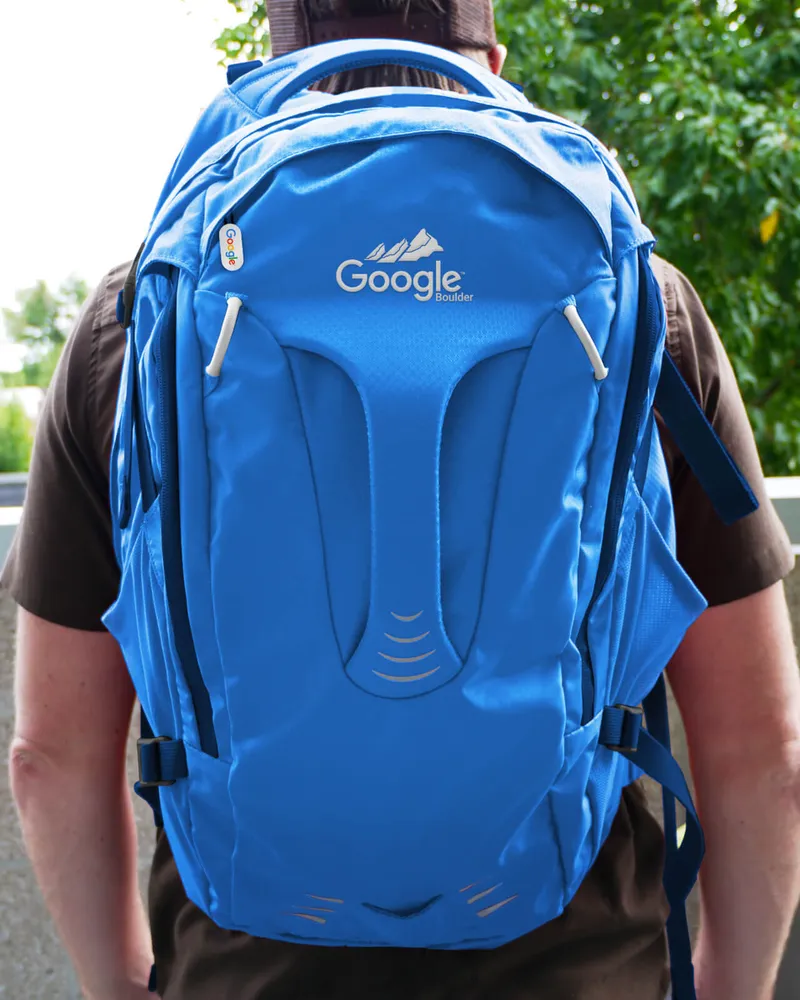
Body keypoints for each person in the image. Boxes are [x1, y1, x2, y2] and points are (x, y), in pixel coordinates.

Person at [6, 1, 799, 999]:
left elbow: (50, 755)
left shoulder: (142, 310)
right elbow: (760, 749)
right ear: (492, 59)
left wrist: (127, 986)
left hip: (243, 968)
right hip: (582, 962)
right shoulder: (636, 292)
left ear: (272, 59)